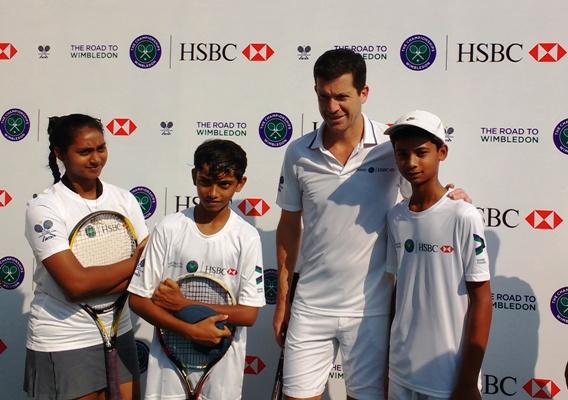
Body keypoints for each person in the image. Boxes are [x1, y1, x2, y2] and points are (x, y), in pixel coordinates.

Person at [273, 49, 470, 400]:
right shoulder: (297, 152)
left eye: (342, 96)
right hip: (310, 308)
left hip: (371, 311)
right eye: (323, 96)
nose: (332, 106)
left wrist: (453, 196)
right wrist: (283, 299)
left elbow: (422, 197)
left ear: (364, 93)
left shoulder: (392, 146)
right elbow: (289, 226)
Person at [128, 139, 265, 400]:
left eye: (224, 185)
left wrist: (181, 304)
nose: (213, 193)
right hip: (167, 375)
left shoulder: (246, 237)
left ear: (240, 183)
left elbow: (248, 314)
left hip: (223, 375)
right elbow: (138, 300)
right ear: (194, 176)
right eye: (205, 182)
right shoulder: (169, 228)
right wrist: (191, 330)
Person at [23, 113, 148, 400]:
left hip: (120, 330)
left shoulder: (124, 199)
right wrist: (134, 267)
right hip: (65, 337)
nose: (96, 159)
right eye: (84, 152)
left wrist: (100, 279)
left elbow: (150, 271)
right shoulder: (45, 207)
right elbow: (75, 285)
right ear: (60, 154)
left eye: (101, 148)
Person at [384, 110, 492, 400]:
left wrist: (468, 381)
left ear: (442, 152)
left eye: (421, 153)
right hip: (400, 372)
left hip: (447, 377)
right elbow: (398, 293)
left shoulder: (463, 215)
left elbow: (482, 299)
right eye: (402, 154)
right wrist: (387, 367)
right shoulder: (395, 217)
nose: (411, 163)